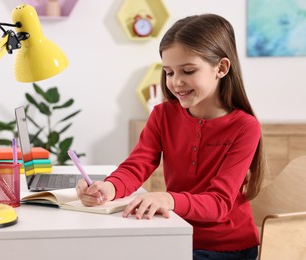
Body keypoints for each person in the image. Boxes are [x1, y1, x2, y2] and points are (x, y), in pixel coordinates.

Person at [76, 13, 267, 260]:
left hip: (225, 248)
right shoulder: (163, 115)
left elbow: (219, 202)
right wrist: (108, 188)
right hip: (174, 233)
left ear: (221, 68)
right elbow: (137, 166)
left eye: (187, 71)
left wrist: (167, 198)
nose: (176, 82)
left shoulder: (245, 127)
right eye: (168, 72)